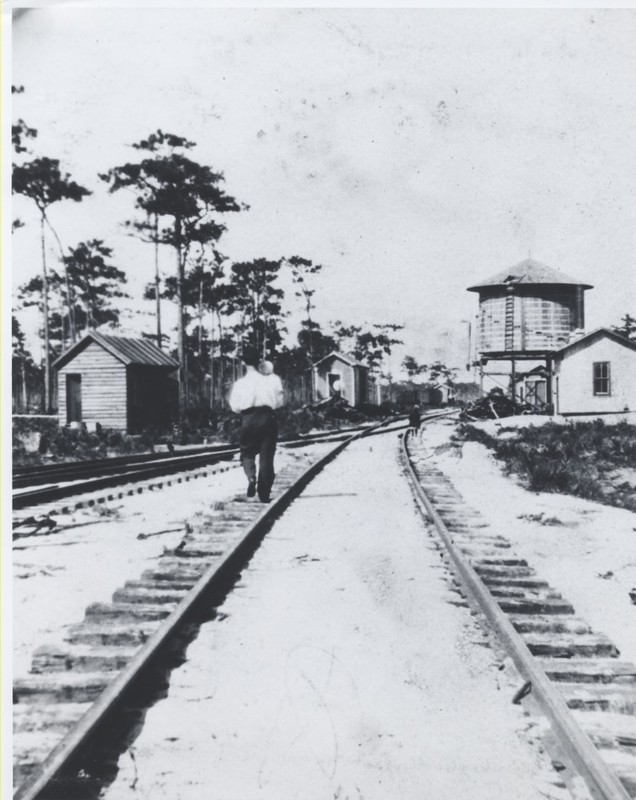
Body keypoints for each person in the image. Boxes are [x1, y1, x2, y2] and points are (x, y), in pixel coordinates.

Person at [229, 347, 284, 502]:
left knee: (247, 452)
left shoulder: (240, 384)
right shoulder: (270, 381)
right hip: (268, 418)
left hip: (248, 418)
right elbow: (279, 403)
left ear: (243, 363)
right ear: (259, 362)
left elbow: (235, 407)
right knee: (266, 457)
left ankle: (251, 477)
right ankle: (264, 494)